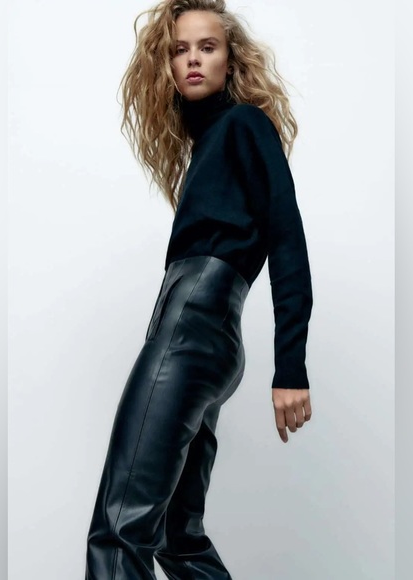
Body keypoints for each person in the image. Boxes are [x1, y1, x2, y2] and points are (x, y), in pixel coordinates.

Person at [85, 0, 313, 578]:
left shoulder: (244, 125)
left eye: (207, 47)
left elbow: (287, 239)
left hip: (193, 327)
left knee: (120, 527)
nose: (192, 59)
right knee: (175, 536)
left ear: (230, 60)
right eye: (180, 50)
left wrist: (291, 367)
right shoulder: (208, 146)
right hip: (205, 337)